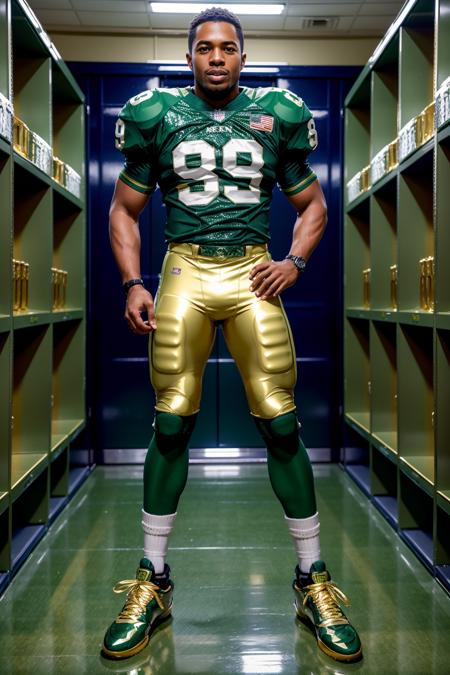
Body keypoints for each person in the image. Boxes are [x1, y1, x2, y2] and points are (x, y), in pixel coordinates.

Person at [102, 7, 362, 663]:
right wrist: (134, 281)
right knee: (171, 422)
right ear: (189, 57)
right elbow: (124, 208)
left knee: (280, 422)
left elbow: (313, 204)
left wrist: (295, 261)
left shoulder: (278, 113)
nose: (216, 57)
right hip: (185, 268)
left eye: (227, 48)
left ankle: (313, 581)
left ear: (243, 57)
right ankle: (151, 580)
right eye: (204, 48)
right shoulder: (156, 115)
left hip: (251, 270)